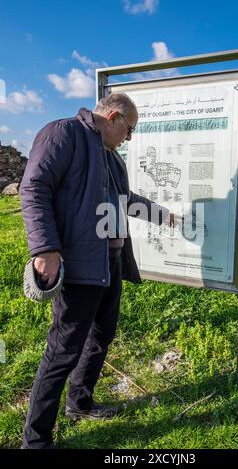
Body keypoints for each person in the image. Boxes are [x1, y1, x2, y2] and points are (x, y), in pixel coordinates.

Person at [19, 93, 178, 449]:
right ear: (113, 116)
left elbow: (126, 200)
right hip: (78, 265)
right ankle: (37, 439)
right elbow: (33, 188)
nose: (130, 138)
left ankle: (80, 402)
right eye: (130, 129)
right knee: (64, 350)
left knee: (101, 336)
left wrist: (161, 214)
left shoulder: (112, 158)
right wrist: (46, 249)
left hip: (110, 263)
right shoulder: (62, 134)